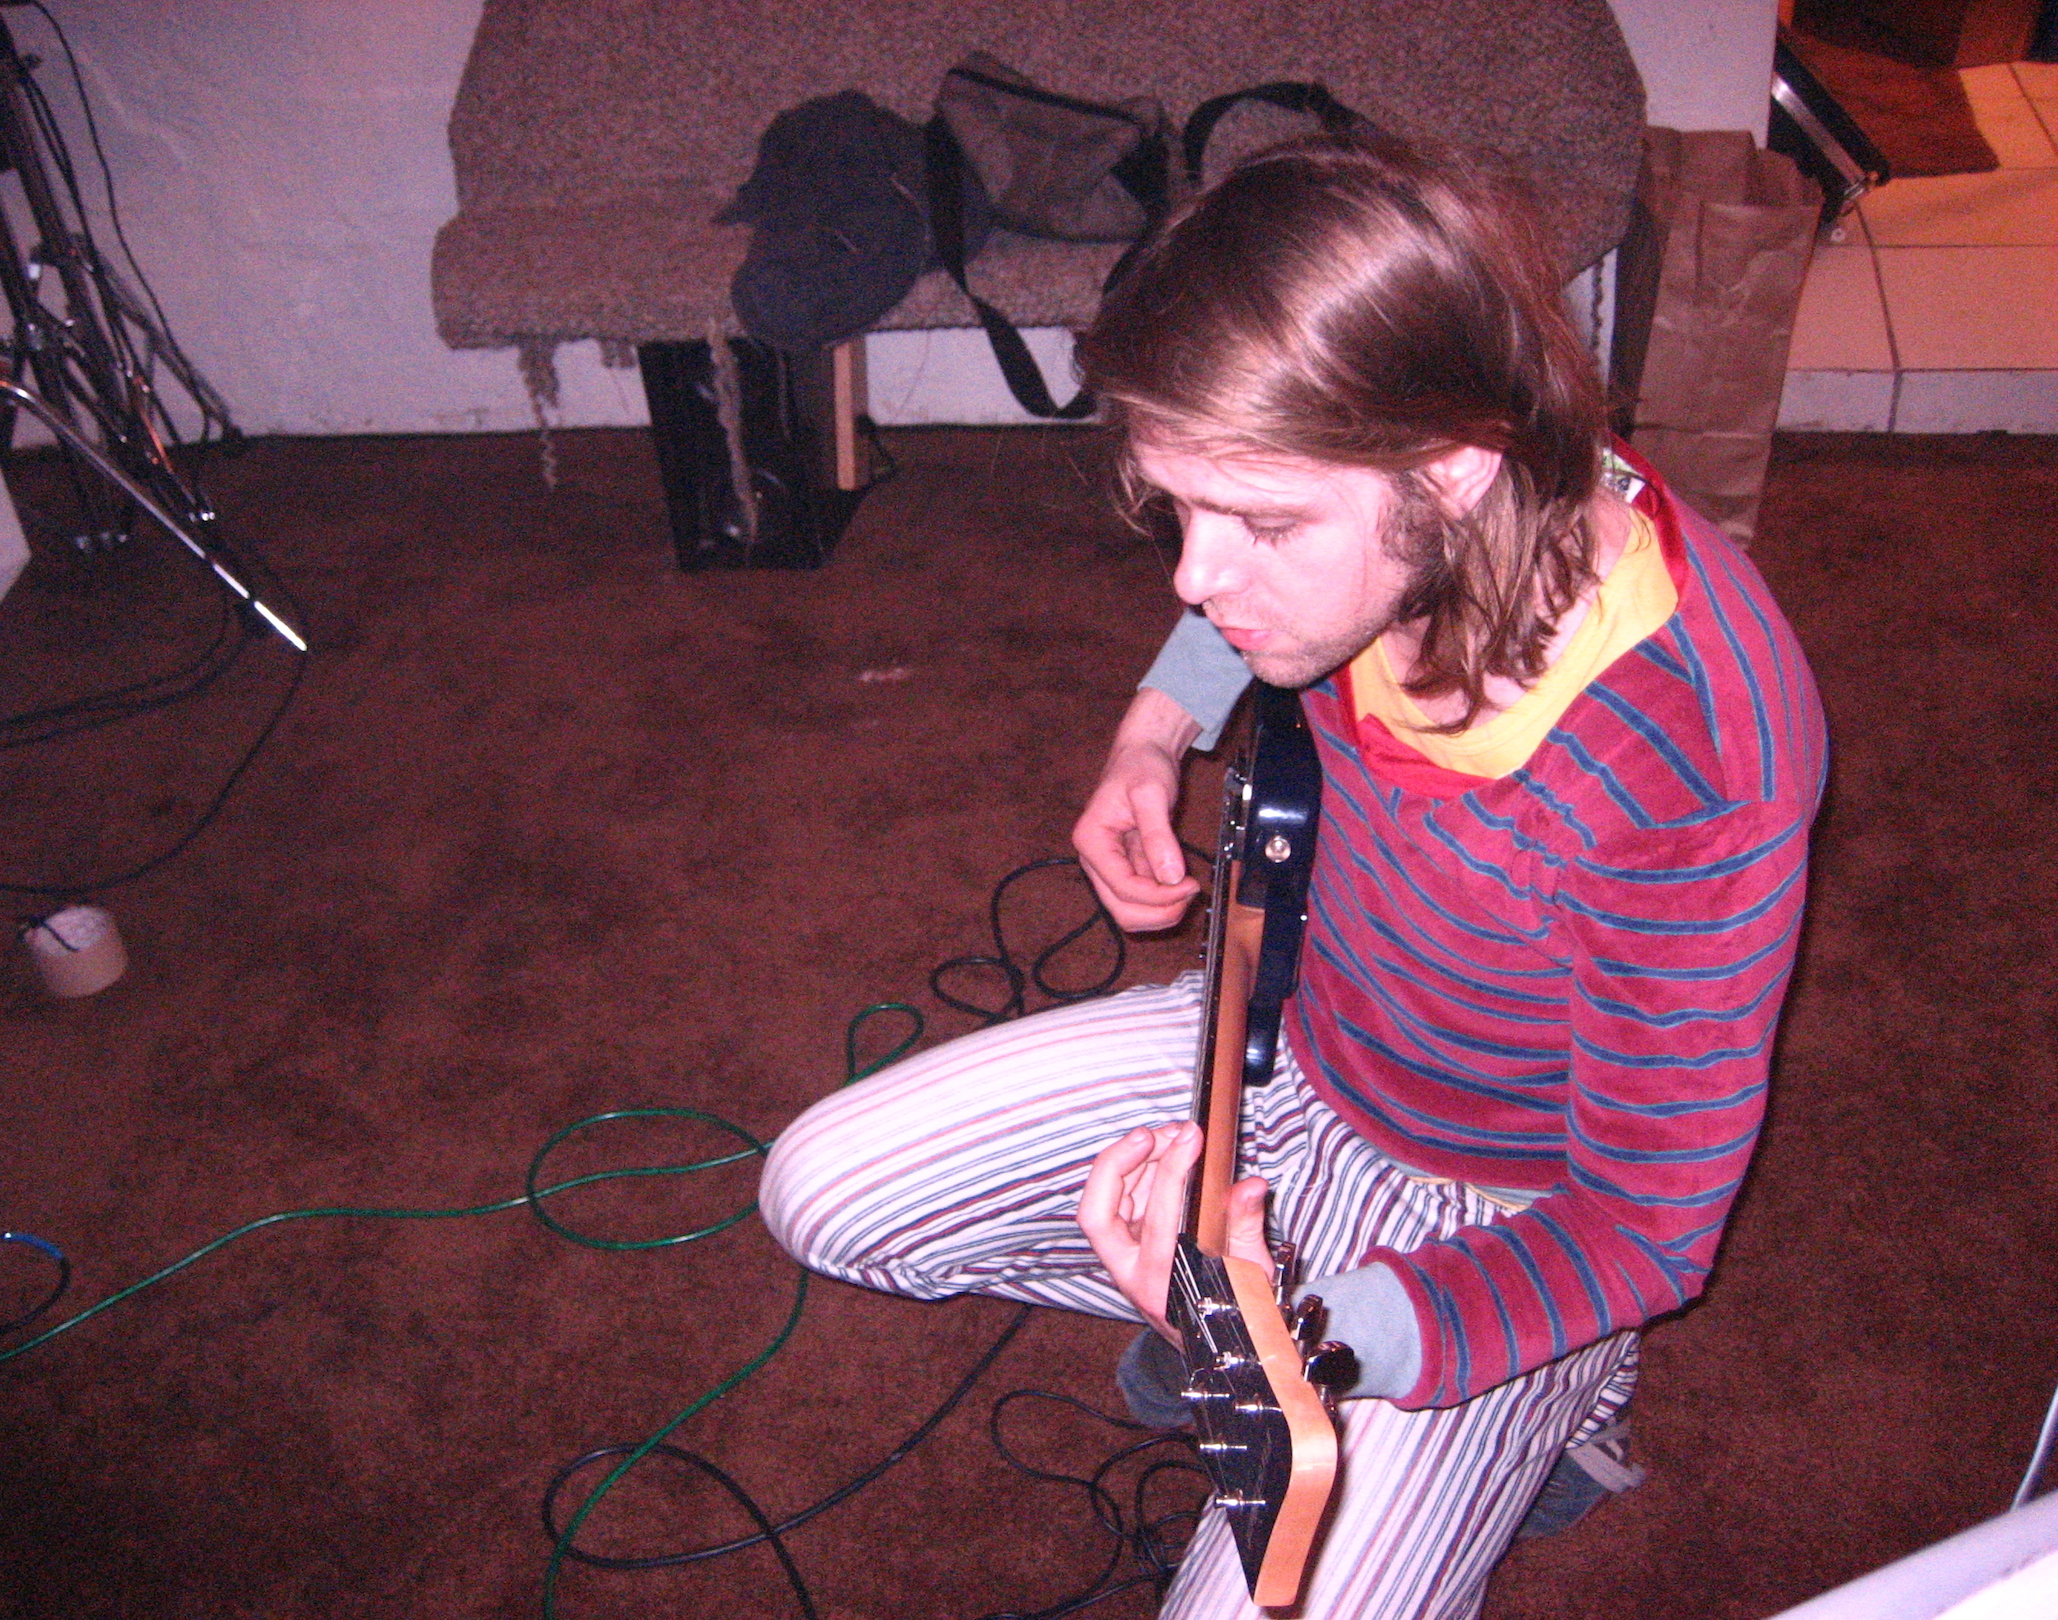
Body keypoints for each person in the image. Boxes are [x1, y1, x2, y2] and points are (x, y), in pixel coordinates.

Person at [760, 131, 1825, 1619]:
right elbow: (1236, 614)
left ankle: (1546, 1401)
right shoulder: (1429, 486)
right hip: (1293, 1045)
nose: (1194, 578)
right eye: (1175, 509)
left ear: (1451, 475)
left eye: (1257, 524)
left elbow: (1646, 1227)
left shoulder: (1692, 755)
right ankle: (1240, 1317)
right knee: (821, 1194)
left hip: (1505, 1207)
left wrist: (1304, 1334)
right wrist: (1153, 729)